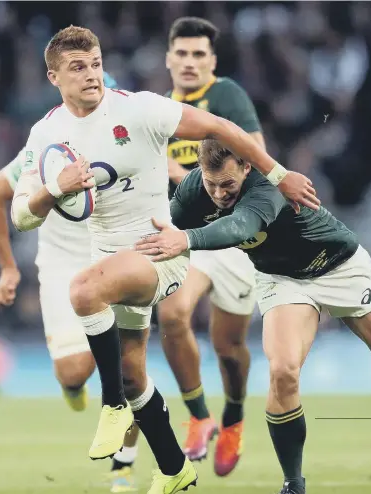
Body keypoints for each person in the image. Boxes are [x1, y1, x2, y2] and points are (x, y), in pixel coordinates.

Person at [11, 25, 319, 494]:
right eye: (78, 68)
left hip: (159, 252)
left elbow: (221, 128)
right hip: (111, 258)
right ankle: (176, 469)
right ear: (53, 76)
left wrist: (277, 174)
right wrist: (56, 189)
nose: (92, 75)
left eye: (95, 64)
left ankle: (111, 405)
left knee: (82, 290)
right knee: (136, 375)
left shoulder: (140, 109)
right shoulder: (47, 132)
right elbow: (21, 214)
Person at [135, 139, 371, 494]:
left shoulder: (267, 188)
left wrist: (186, 239)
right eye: (212, 184)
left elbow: (238, 228)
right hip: (283, 281)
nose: (220, 193)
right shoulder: (196, 189)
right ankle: (293, 482)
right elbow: (163, 227)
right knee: (283, 370)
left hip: (338, 267)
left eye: (228, 184)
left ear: (247, 167)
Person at [111, 16, 265, 490]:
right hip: (183, 237)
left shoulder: (227, 98)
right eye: (183, 53)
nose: (191, 62)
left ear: (212, 62)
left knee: (229, 348)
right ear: (169, 59)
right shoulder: (158, 110)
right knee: (173, 314)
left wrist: (188, 179)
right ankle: (198, 416)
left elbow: (256, 155)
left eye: (200, 54)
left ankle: (234, 416)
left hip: (231, 235)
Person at [0, 71, 118, 413]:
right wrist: (8, 267)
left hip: (115, 259)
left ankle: (125, 458)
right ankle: (74, 385)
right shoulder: (48, 152)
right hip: (63, 264)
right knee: (71, 372)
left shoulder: (133, 143)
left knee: (128, 355)